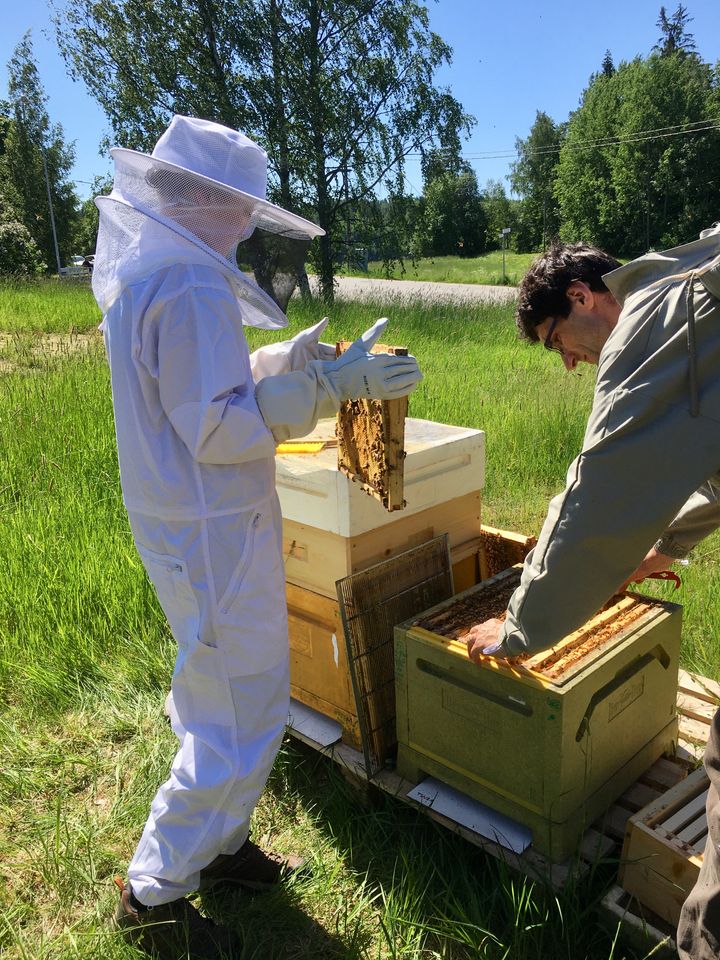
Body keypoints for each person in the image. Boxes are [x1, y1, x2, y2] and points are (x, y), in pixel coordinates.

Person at [92, 114, 422, 959]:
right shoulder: (189, 287)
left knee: (229, 693)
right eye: (238, 205)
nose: (247, 222)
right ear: (200, 198)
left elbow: (213, 384)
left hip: (189, 522)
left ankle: (222, 845)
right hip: (212, 523)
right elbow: (221, 428)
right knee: (237, 716)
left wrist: (298, 359)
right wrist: (327, 389)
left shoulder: (155, 273)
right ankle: (154, 890)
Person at [465, 226, 720, 960]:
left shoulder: (646, 319)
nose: (570, 362)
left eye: (555, 340)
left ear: (582, 297)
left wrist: (519, 628)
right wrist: (667, 544)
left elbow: (599, 489)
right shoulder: (688, 285)